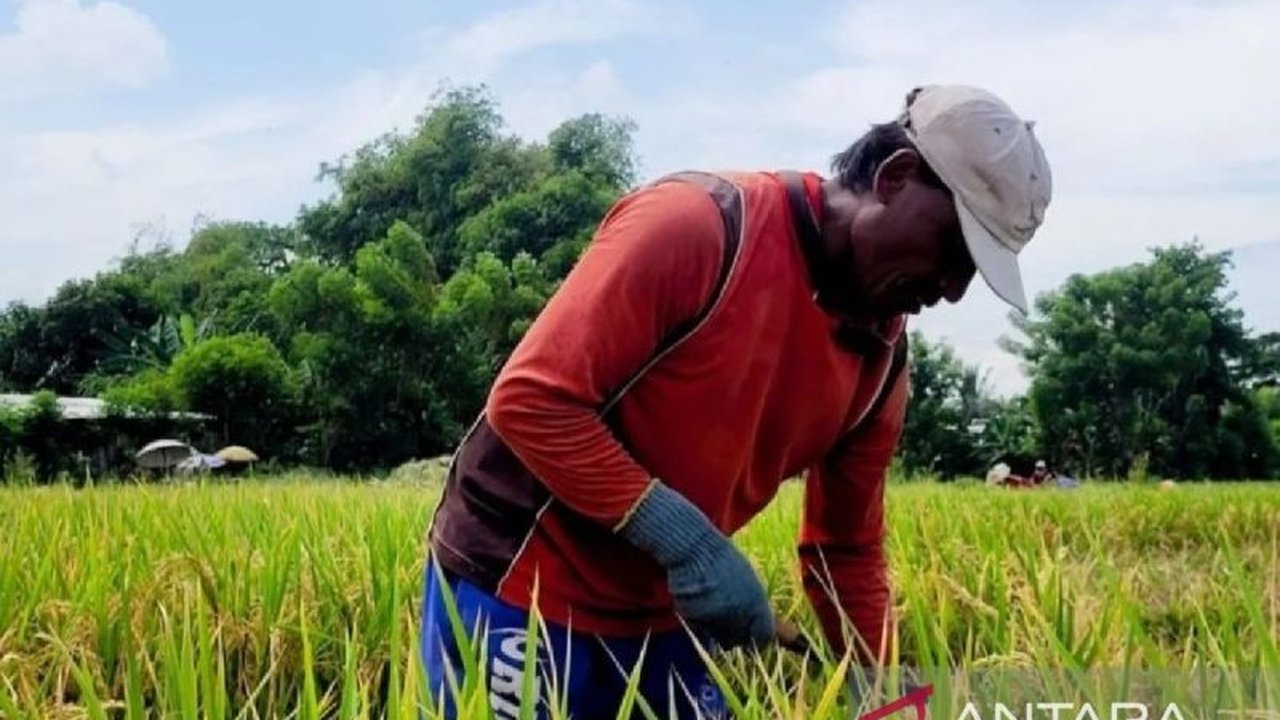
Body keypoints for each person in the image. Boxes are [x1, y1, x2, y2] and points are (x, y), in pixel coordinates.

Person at [420, 84, 1053, 719]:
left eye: (971, 275)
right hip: (518, 583)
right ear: (896, 177)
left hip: (659, 615)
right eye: (954, 251)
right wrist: (688, 544)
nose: (951, 290)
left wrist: (891, 693)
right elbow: (531, 402)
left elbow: (847, 550)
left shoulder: (880, 362)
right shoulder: (699, 228)